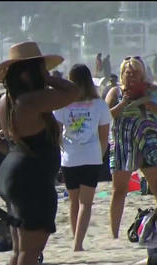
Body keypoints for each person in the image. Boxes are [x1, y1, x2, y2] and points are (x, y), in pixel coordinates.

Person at [0, 41, 79, 265]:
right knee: (30, 251)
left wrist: (10, 150)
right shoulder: (32, 99)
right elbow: (74, 92)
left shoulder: (7, 100)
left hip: (14, 171)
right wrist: (48, 79)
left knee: (20, 249)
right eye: (39, 67)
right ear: (29, 71)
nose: (42, 72)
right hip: (30, 176)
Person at [105, 56, 157, 240]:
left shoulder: (152, 91)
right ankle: (114, 235)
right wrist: (123, 103)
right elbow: (106, 115)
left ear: (142, 74)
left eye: (136, 73)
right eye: (128, 73)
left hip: (148, 141)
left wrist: (149, 104)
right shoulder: (115, 92)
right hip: (122, 143)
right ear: (122, 74)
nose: (132, 76)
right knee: (119, 190)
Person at [53, 64, 112, 252]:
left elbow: (56, 133)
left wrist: (64, 147)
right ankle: (78, 243)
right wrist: (99, 156)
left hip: (70, 158)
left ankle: (75, 240)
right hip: (91, 156)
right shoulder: (100, 105)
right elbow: (104, 137)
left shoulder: (63, 104)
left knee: (74, 201)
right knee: (85, 203)